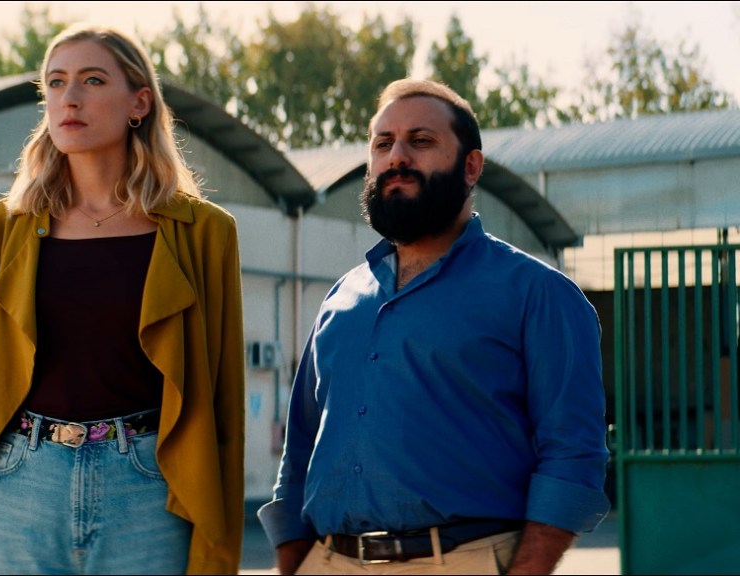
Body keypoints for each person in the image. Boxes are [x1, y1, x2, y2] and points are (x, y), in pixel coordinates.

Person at [257, 78, 610, 575]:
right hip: (329, 561)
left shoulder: (538, 294)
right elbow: (300, 449)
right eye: (383, 144)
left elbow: (573, 455)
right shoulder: (342, 298)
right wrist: (294, 561)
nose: (397, 157)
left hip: (462, 561)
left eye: (420, 141)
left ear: (471, 166)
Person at [0, 23, 245, 575]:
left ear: (139, 103)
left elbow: (223, 405)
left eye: (92, 80)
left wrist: (215, 560)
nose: (69, 98)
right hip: (20, 486)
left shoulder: (203, 233)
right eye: (55, 83)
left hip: (150, 491)